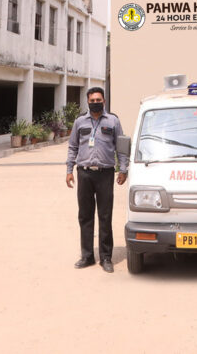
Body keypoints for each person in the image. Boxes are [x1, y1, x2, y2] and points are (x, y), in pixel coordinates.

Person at [66, 87, 129, 273]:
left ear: (104, 101)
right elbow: (72, 147)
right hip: (84, 173)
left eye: (98, 100)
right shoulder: (79, 122)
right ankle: (87, 256)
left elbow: (121, 147)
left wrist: (123, 169)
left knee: (105, 215)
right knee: (85, 216)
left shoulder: (113, 121)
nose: (95, 103)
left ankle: (106, 257)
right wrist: (69, 170)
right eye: (92, 100)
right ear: (88, 101)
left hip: (105, 174)